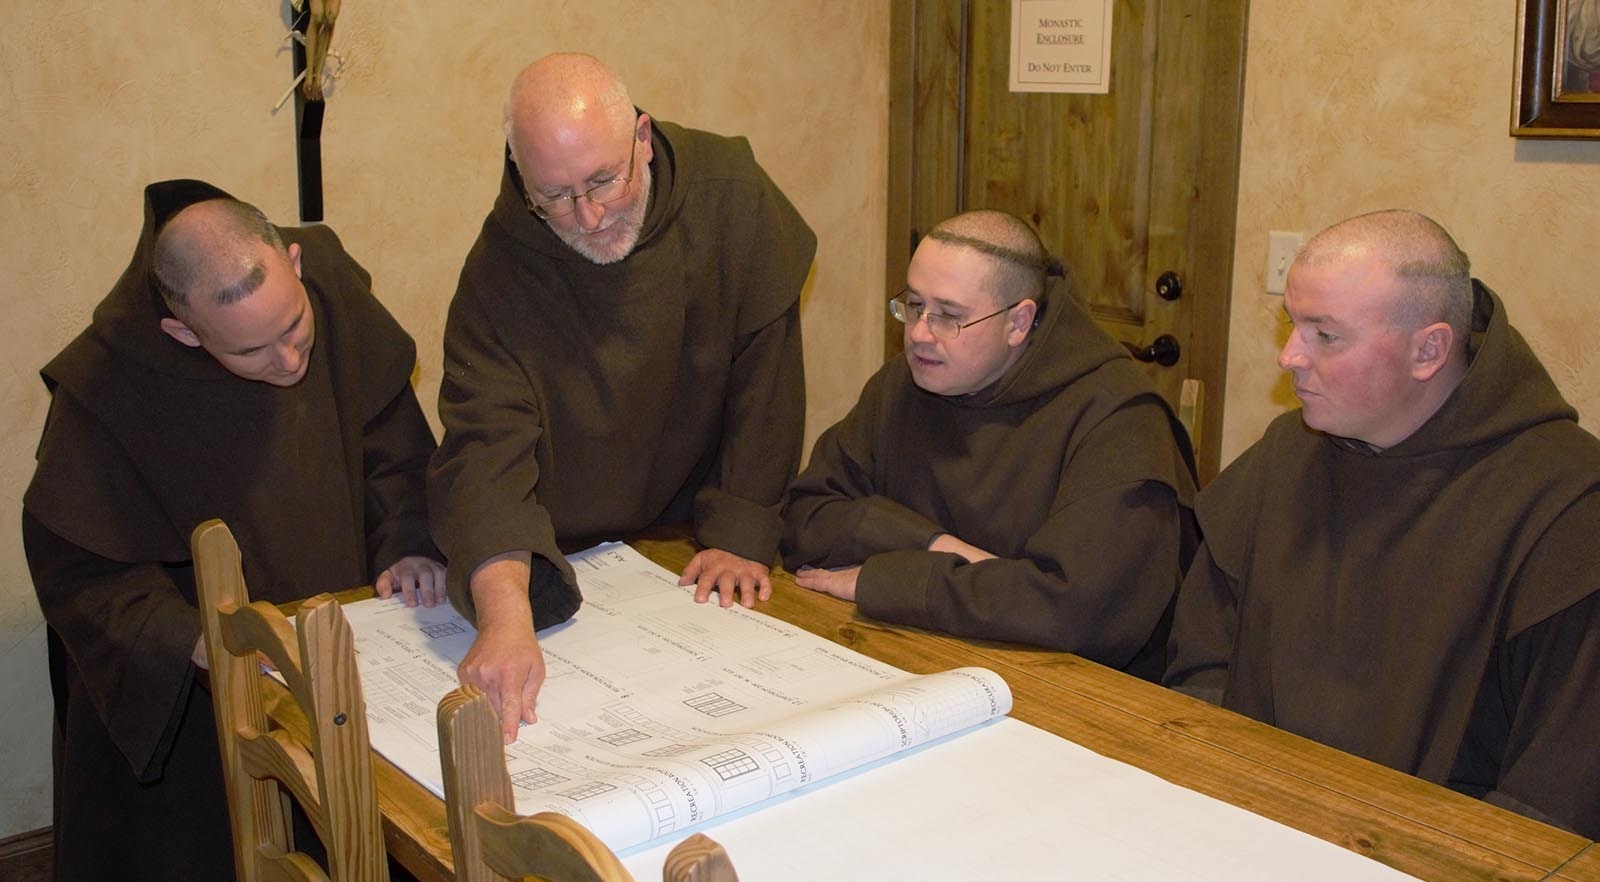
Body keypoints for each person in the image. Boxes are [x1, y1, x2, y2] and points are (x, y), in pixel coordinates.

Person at [23, 180, 446, 882]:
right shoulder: (106, 383)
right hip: (202, 684)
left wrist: (408, 540)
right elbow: (82, 571)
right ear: (183, 332)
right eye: (253, 350)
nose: (288, 361)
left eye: (295, 327)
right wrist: (195, 641)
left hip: (340, 645)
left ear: (294, 262)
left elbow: (393, 447)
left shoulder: (333, 294)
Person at [1164, 209, 1600, 839]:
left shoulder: (1569, 507)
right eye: (1292, 325)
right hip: (1239, 812)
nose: (1289, 357)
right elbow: (1202, 653)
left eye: (1326, 335)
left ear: (1429, 349)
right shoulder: (1290, 452)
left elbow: (1557, 795)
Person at [428, 52, 816, 741]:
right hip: (560, 548)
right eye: (554, 196)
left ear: (642, 136)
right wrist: (507, 614)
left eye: (605, 180)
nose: (587, 215)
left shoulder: (729, 192)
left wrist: (743, 532)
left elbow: (768, 378)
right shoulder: (501, 267)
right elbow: (485, 450)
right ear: (522, 179)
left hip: (690, 541)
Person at [780, 210, 1197, 678]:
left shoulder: (1119, 418)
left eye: (949, 316)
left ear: (1019, 322)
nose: (919, 333)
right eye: (914, 305)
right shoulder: (904, 383)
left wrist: (893, 580)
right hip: (920, 654)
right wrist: (936, 545)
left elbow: (1075, 614)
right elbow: (805, 518)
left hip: (1076, 690)